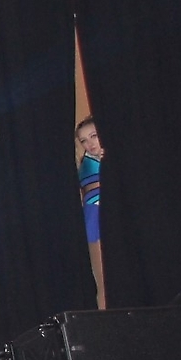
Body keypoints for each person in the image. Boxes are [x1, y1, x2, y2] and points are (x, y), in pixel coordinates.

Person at [76, 115, 106, 309]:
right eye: (84, 140)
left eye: (93, 136)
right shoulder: (87, 163)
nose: (89, 144)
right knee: (103, 281)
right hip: (95, 219)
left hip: (101, 215)